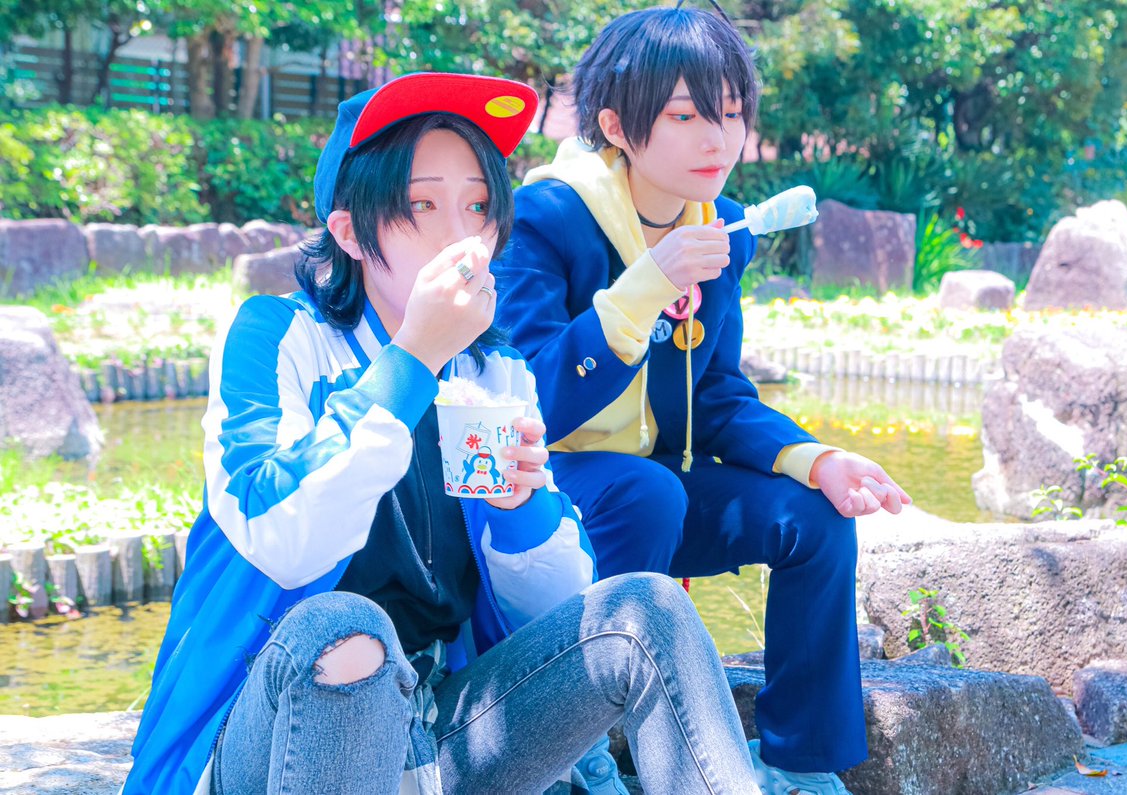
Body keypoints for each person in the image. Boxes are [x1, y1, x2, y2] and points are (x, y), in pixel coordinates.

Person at [123, 71, 759, 795]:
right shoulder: (277, 338)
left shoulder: (493, 371)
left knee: (646, 609)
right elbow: (281, 537)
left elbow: (557, 613)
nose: (462, 235)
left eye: (478, 206)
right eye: (421, 205)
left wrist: (523, 510)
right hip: (266, 747)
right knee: (344, 627)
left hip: (436, 735)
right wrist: (412, 360)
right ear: (350, 232)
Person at [492, 7, 912, 794]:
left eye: (730, 112)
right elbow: (532, 401)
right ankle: (578, 740)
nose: (718, 138)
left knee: (814, 515)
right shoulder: (544, 220)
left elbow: (715, 393)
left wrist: (816, 459)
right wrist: (648, 283)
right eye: (686, 116)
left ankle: (799, 758)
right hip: (551, 496)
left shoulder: (722, 226)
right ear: (616, 125)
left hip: (660, 491)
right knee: (644, 491)